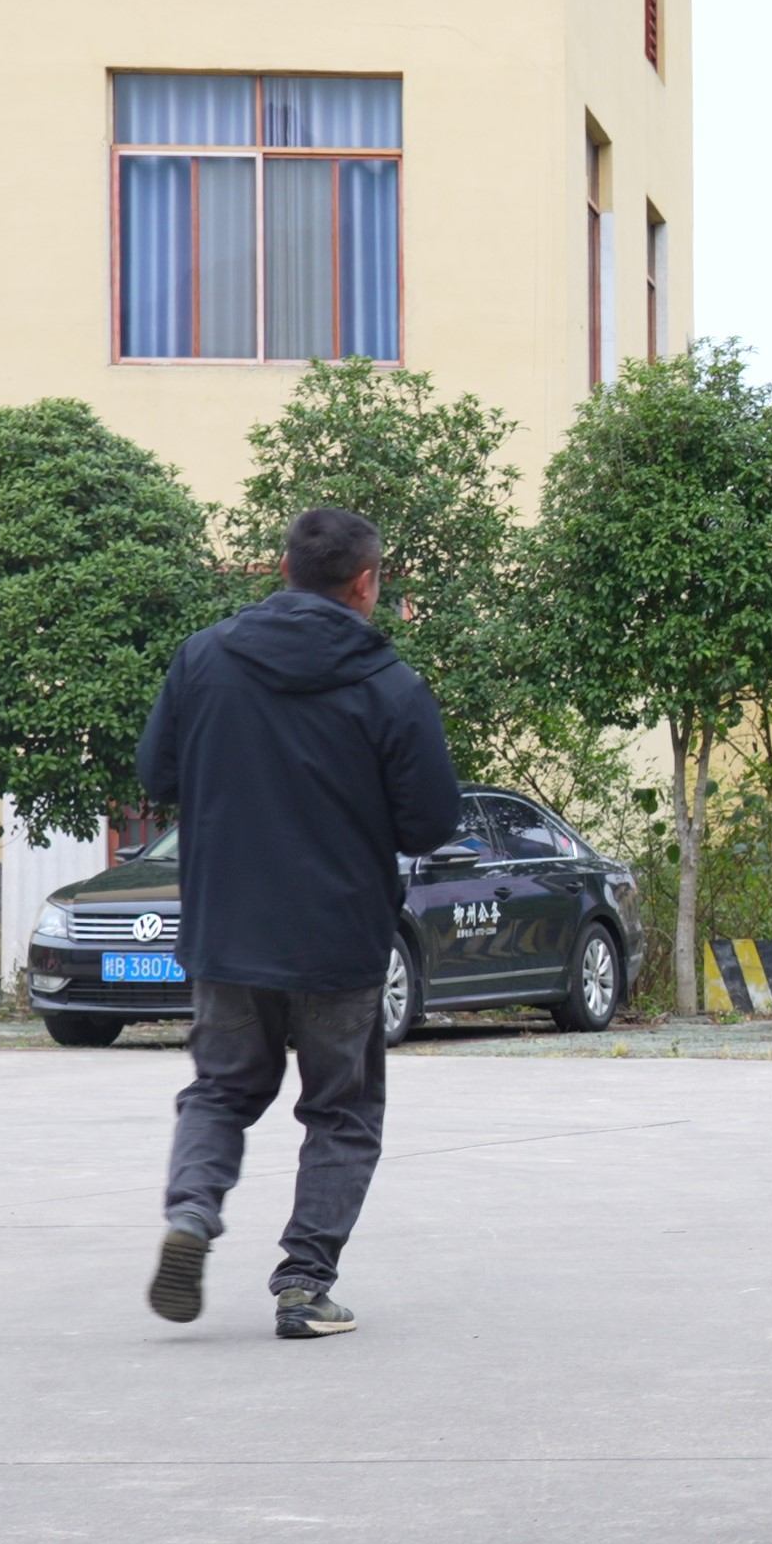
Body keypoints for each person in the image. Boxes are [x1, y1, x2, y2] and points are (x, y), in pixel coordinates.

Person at [136, 506, 461, 1339]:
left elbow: (157, 773)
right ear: (364, 582)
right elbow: (429, 823)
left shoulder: (203, 660)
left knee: (220, 1090)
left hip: (226, 930)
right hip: (339, 937)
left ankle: (192, 1215)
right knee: (342, 1111)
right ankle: (303, 1286)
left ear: (283, 571)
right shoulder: (390, 685)